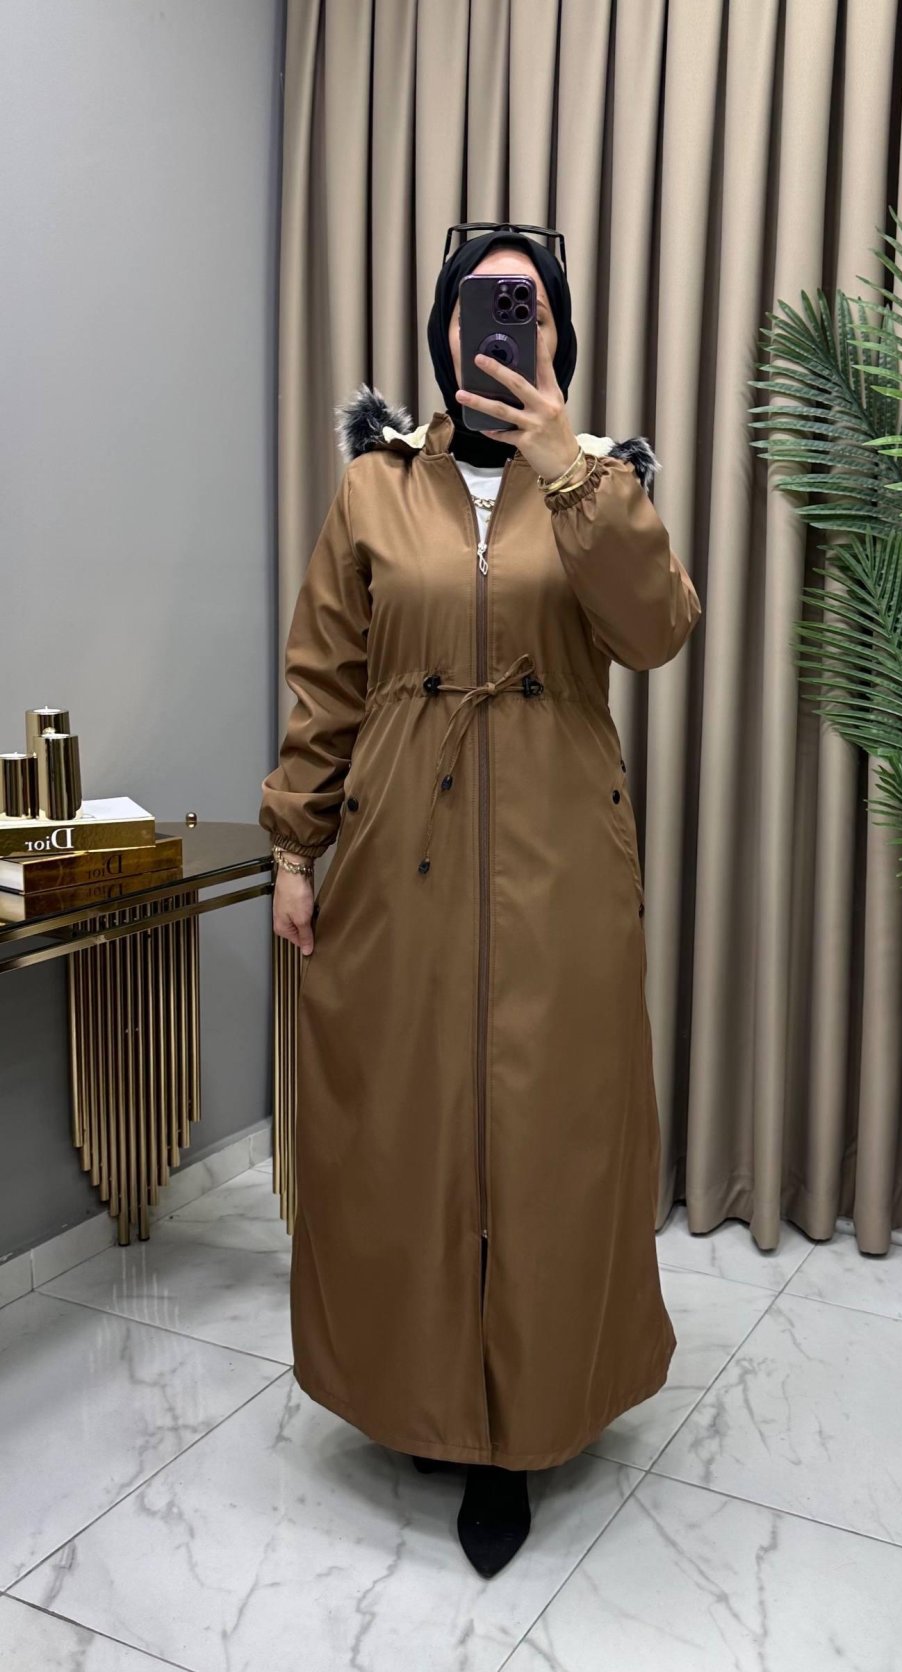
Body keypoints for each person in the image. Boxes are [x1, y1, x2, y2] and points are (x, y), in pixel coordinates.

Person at [258, 224, 702, 1578]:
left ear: (557, 334)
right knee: (409, 1132)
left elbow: (658, 631)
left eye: (526, 303)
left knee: (548, 1136)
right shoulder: (378, 487)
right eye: (478, 301)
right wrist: (293, 846)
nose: (501, 321)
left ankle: (520, 1431)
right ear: (445, 328)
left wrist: (570, 468)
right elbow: (327, 676)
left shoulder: (603, 482)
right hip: (398, 855)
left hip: (563, 861)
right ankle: (423, 1390)